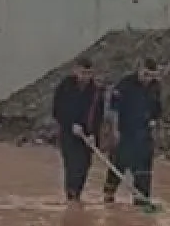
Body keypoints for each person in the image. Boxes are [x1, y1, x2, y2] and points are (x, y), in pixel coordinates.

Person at [103, 58, 162, 207]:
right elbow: (114, 110)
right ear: (139, 70)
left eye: (152, 75)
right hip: (124, 132)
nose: (148, 78)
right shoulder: (125, 84)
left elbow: (156, 110)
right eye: (146, 74)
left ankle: (141, 201)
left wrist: (154, 127)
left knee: (143, 170)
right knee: (118, 166)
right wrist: (115, 131)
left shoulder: (155, 87)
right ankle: (108, 197)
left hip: (143, 134)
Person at [51, 57, 107, 204]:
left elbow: (98, 115)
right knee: (72, 165)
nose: (86, 77)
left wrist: (94, 134)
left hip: (88, 136)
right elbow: (57, 111)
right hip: (69, 135)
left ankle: (77, 194)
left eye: (89, 73)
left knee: (85, 165)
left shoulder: (95, 92)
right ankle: (72, 197)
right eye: (83, 73)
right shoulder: (65, 87)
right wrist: (71, 125)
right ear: (75, 71)